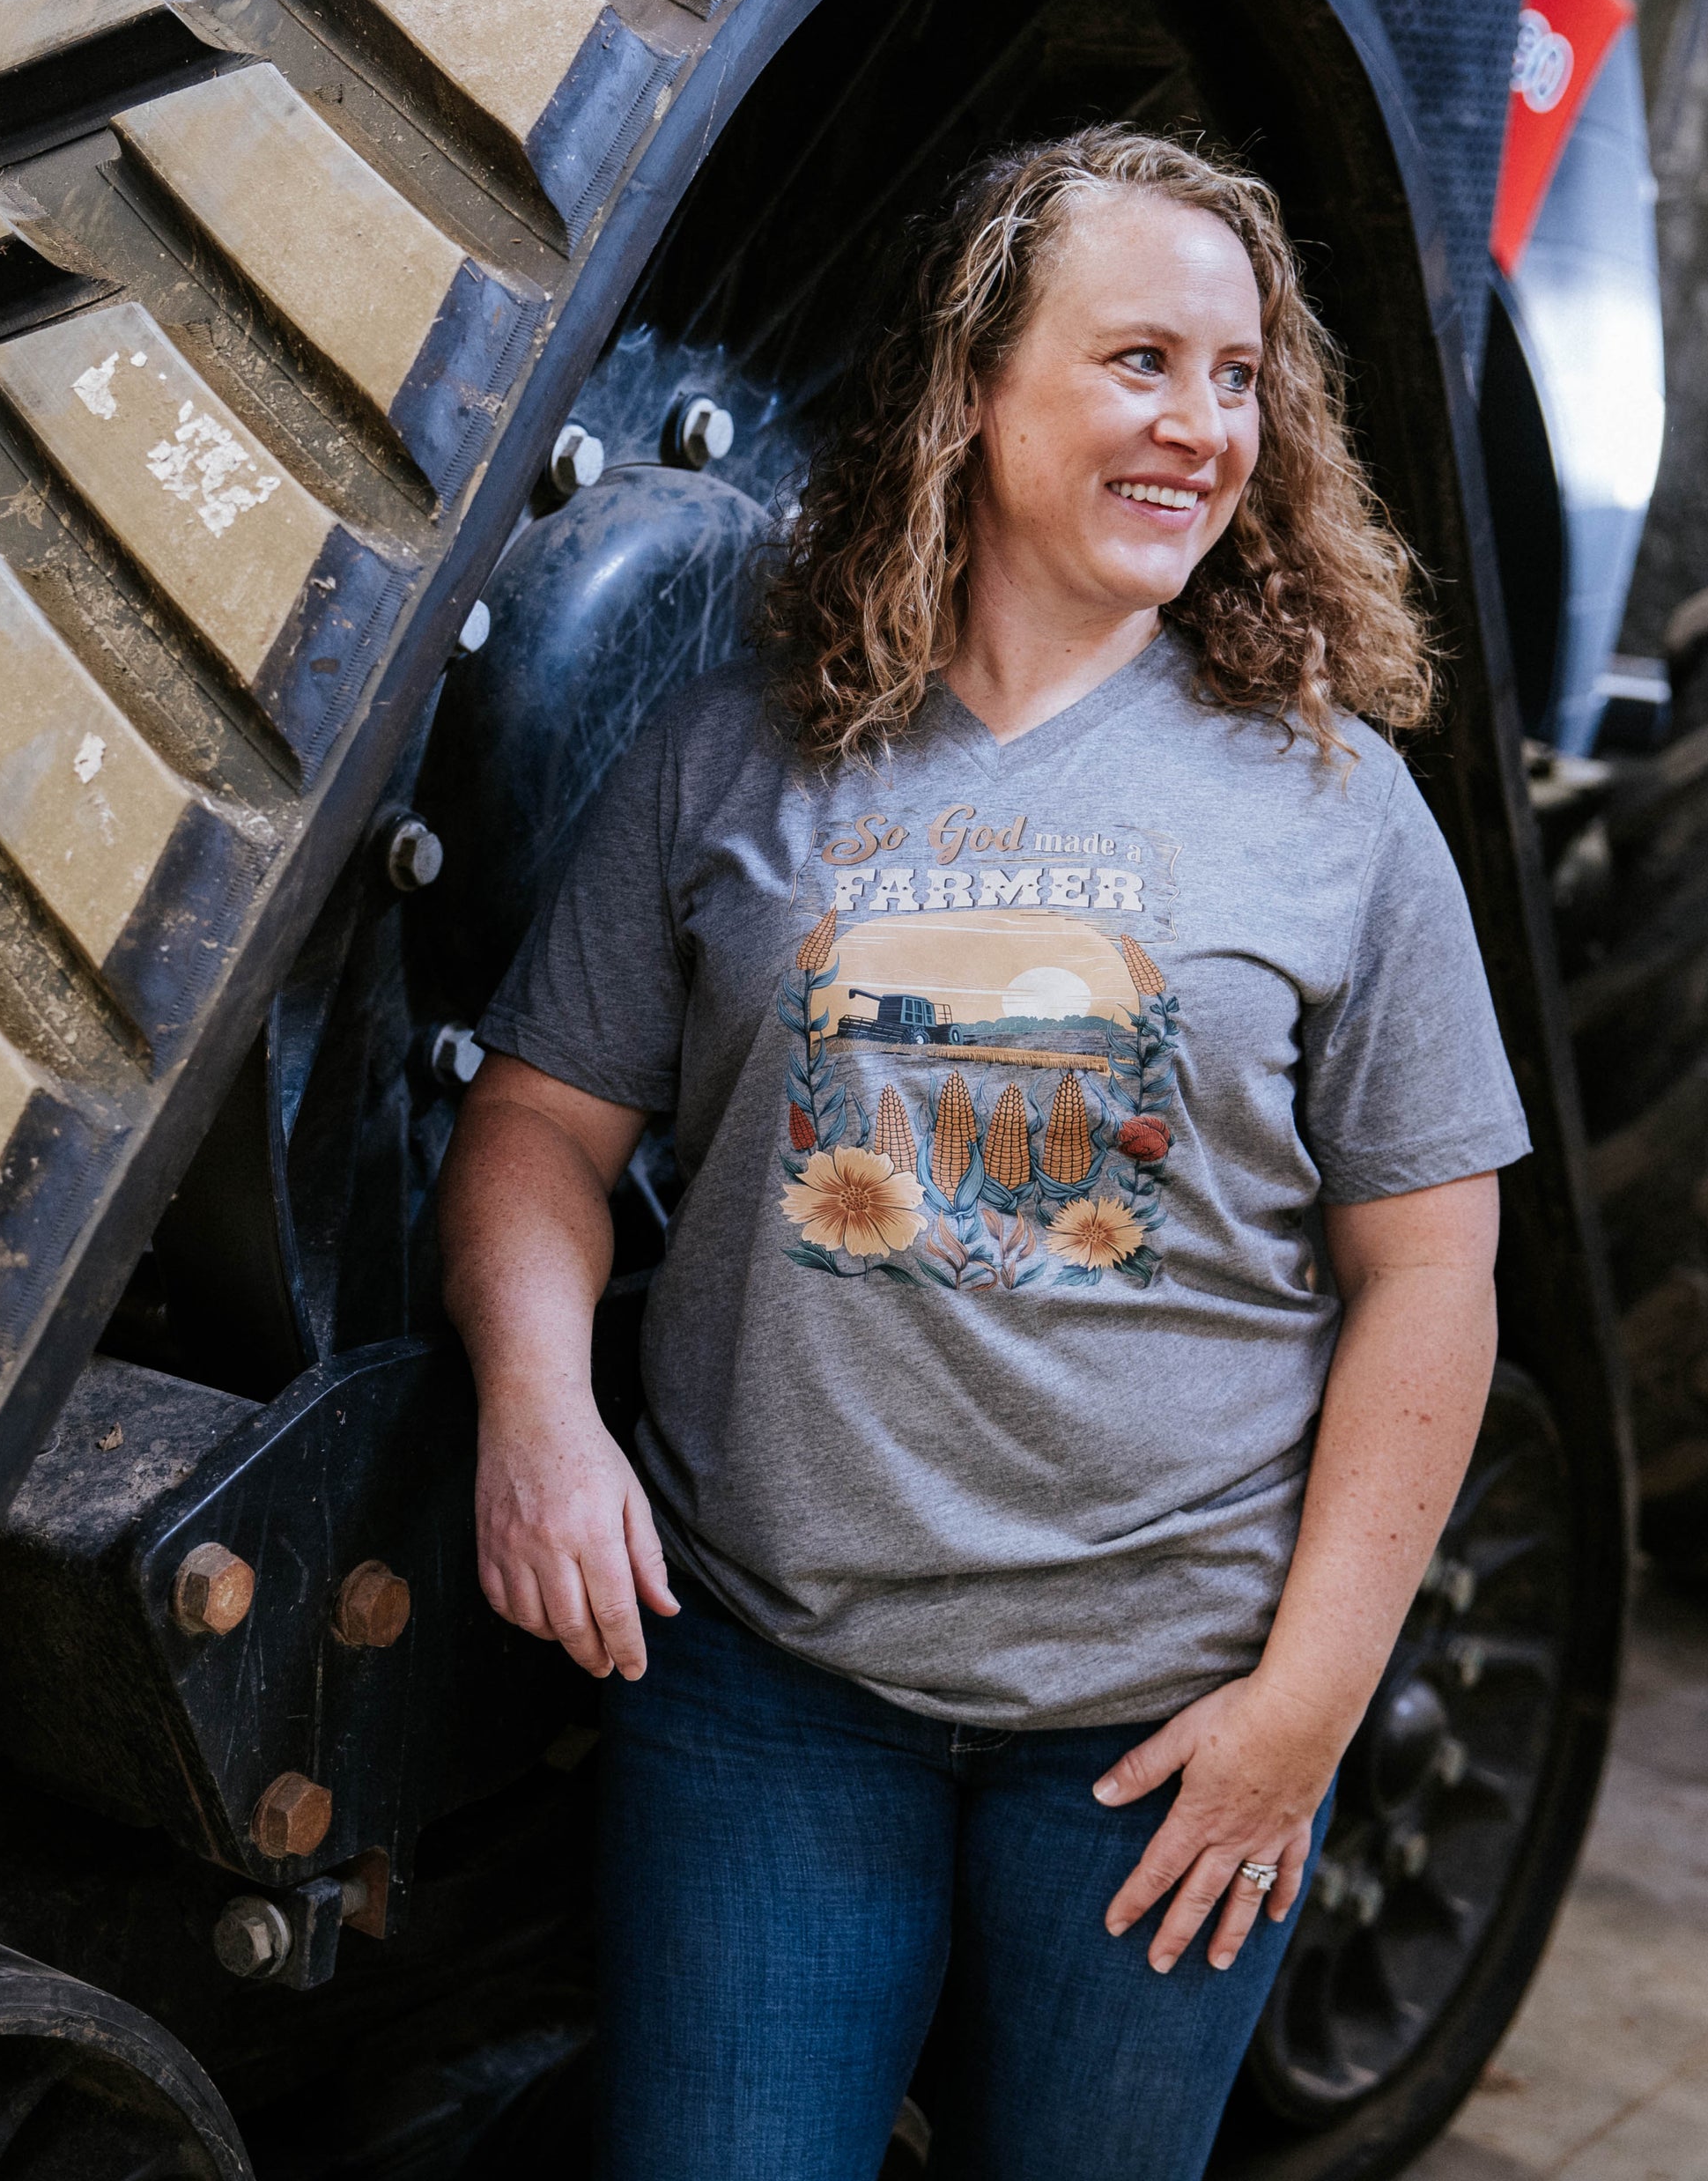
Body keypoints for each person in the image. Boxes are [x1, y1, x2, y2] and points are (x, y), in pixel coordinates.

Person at [437, 125, 1530, 2178]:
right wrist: (537, 1407)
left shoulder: (1338, 803)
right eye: (1140, 361)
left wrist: (1311, 1700)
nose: (1201, 427)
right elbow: (536, 1125)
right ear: (974, 384)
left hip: (1165, 1726)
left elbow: (1433, 1275)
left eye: (1238, 380)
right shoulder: (739, 750)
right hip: (771, 1690)